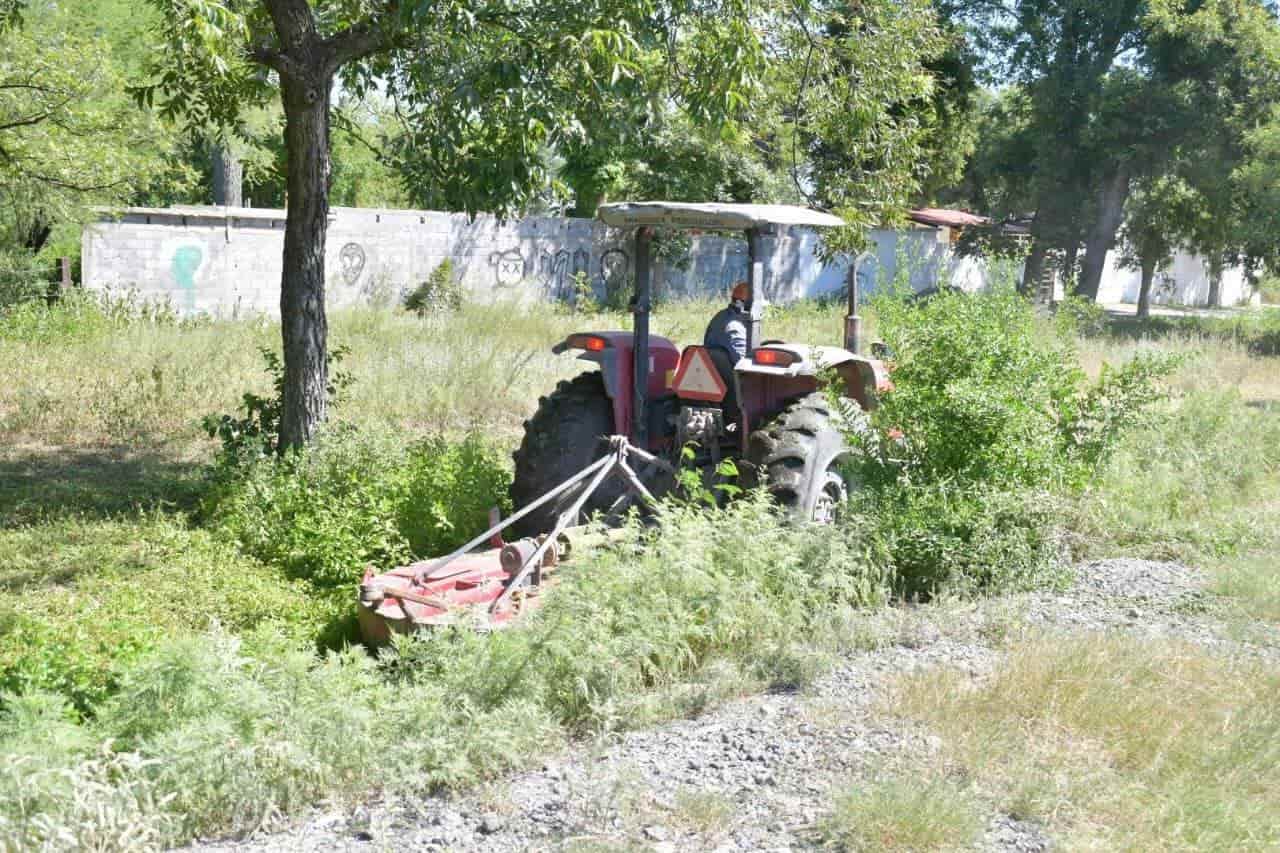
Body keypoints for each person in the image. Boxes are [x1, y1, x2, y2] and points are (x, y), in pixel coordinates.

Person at [703, 280, 750, 362]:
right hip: (728, 374)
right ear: (742, 305)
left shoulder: (720, 316)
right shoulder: (735, 328)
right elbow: (743, 364)